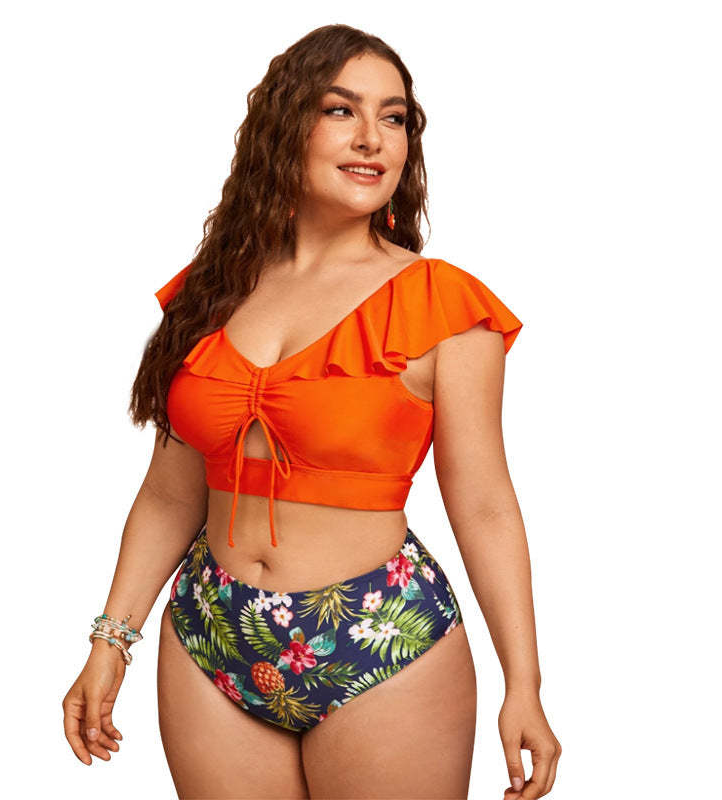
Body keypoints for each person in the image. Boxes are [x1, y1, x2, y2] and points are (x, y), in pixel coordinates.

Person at [62, 23, 561, 800]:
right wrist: (110, 640)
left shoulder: (442, 306)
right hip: (210, 631)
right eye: (340, 110)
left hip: (380, 641)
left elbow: (486, 505)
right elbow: (168, 494)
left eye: (394, 118)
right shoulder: (209, 293)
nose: (371, 139)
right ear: (285, 125)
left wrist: (523, 684)